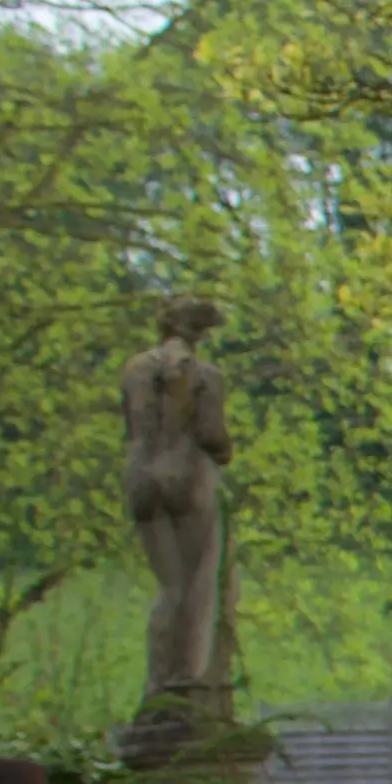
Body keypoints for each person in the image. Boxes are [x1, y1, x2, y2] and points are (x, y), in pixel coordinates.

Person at [123, 293, 232, 716]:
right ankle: (188, 679)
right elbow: (211, 435)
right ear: (200, 332)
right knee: (200, 581)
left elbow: (131, 424)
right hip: (187, 478)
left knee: (169, 587)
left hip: (140, 478)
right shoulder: (205, 375)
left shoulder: (134, 370)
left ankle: (157, 682)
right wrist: (226, 450)